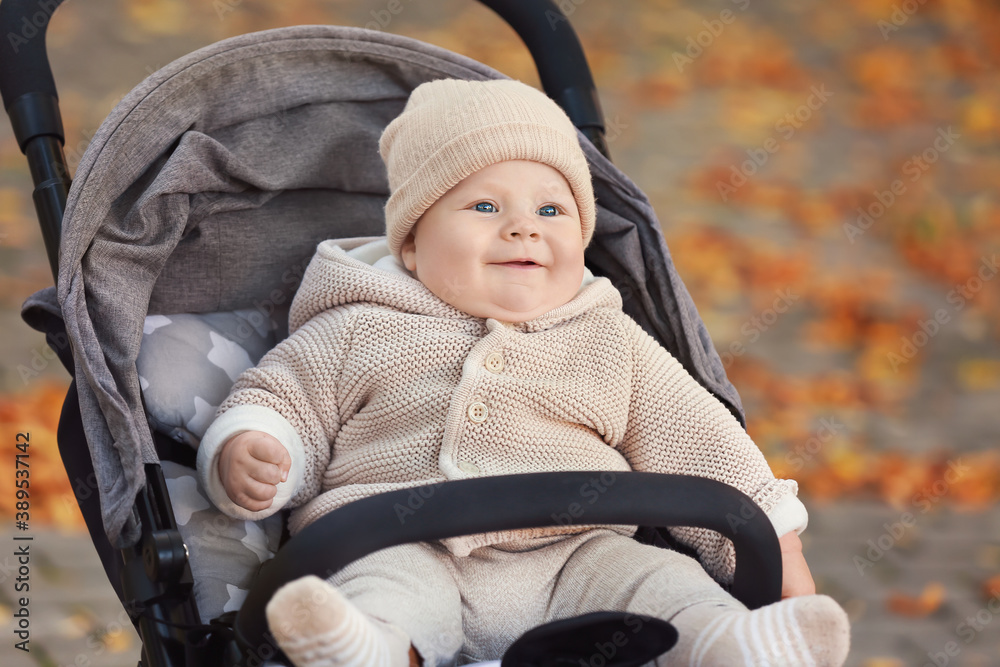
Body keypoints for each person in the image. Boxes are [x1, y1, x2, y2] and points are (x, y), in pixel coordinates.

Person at [196, 78, 850, 667]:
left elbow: (703, 445)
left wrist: (777, 545)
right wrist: (255, 445)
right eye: (485, 207)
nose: (521, 229)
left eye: (550, 210)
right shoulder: (360, 325)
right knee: (379, 588)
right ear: (415, 246)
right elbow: (287, 397)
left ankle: (725, 645)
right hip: (404, 542)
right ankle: (368, 647)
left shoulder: (609, 339)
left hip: (575, 555)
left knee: (663, 585)